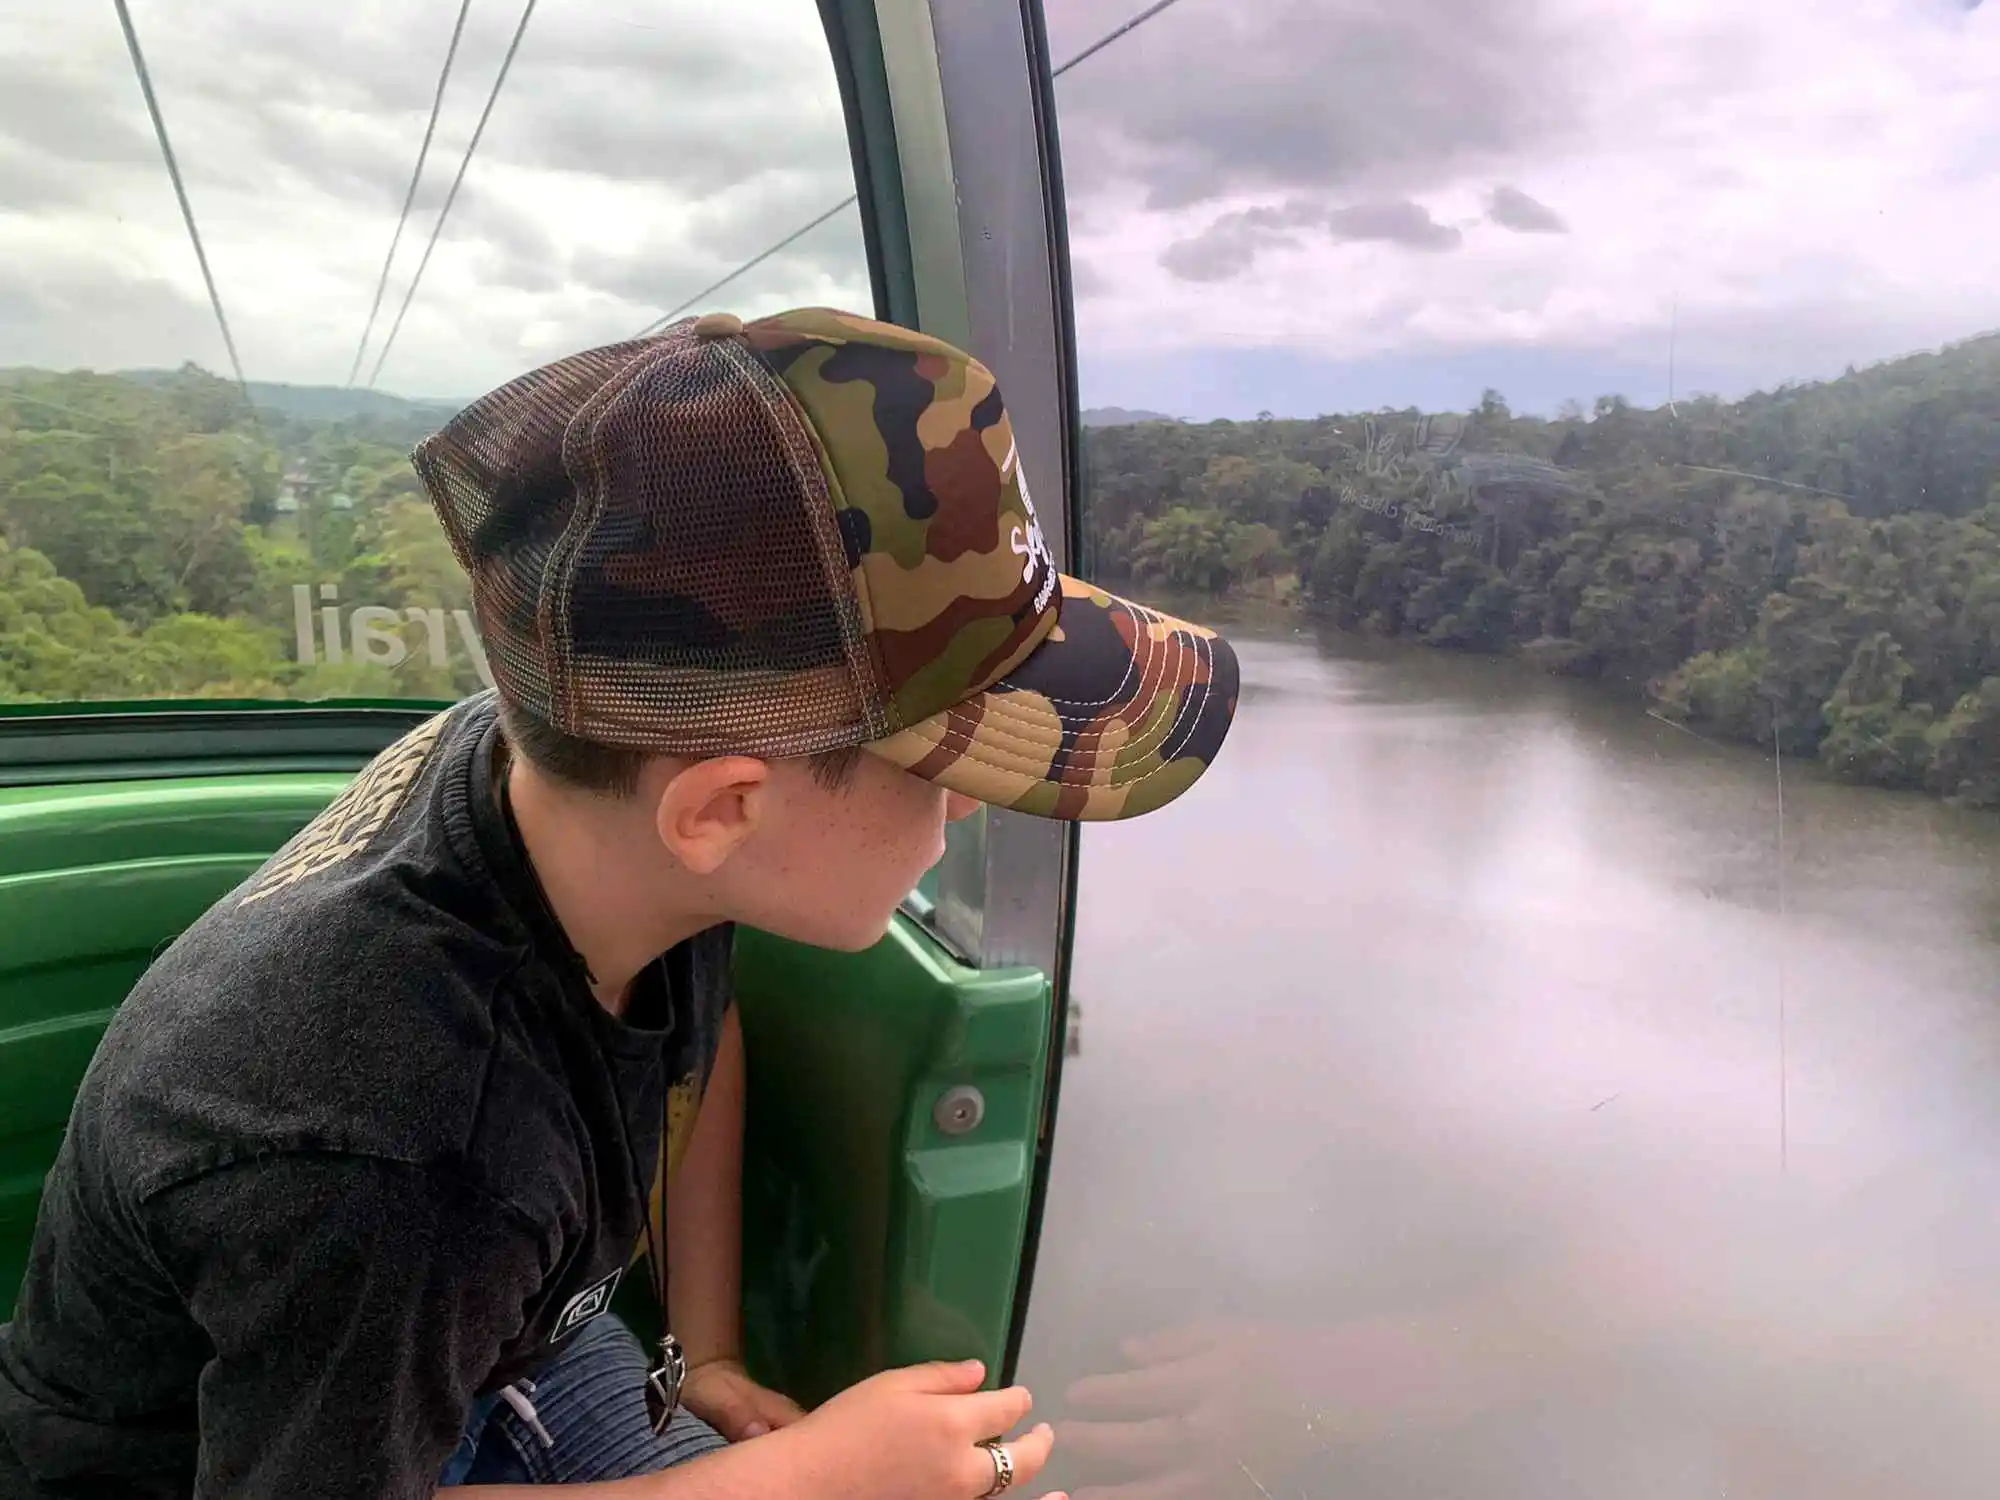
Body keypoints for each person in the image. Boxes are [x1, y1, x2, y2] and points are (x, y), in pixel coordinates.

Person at [0, 307, 1238, 1498]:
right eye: (948, 772)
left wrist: (705, 1352)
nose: (969, 814)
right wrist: (792, 1484)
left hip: (497, 1340)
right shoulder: (398, 1151)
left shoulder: (584, 812)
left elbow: (695, 1040)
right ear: (718, 812)